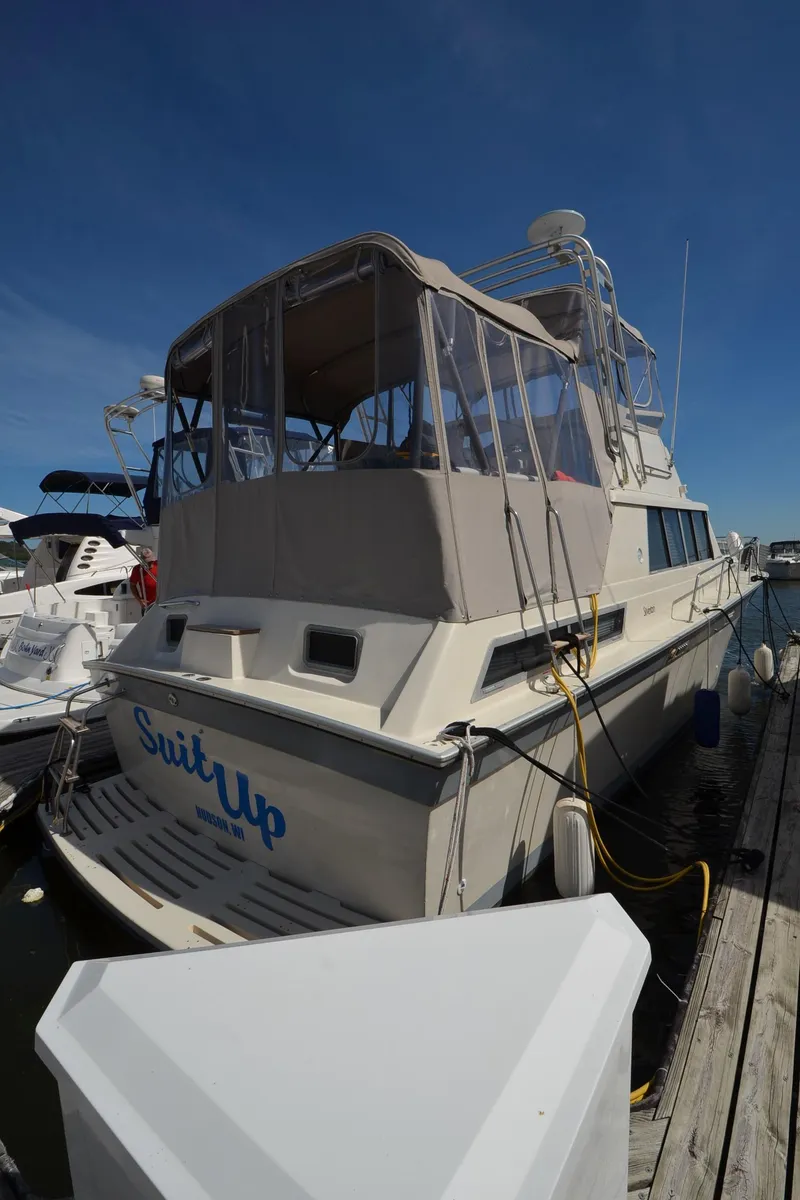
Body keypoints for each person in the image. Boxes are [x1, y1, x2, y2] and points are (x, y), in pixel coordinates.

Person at [130, 546, 158, 611]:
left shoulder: (159, 565)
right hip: (148, 605)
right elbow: (132, 585)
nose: (149, 563)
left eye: (150, 561)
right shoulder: (137, 569)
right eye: (147, 561)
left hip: (161, 603)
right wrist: (140, 600)